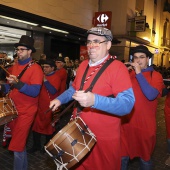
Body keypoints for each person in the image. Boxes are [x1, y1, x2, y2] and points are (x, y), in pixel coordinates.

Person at [49, 26, 135, 170]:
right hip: (79, 134)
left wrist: (95, 100)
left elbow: (127, 105)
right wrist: (60, 99)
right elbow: (74, 89)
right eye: (89, 42)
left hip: (103, 140)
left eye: (97, 41)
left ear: (108, 45)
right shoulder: (83, 65)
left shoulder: (118, 68)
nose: (91, 46)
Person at [0, 35, 43, 170]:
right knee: (20, 144)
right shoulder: (14, 66)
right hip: (13, 109)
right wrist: (2, 87)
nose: (18, 52)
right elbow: (9, 87)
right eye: (17, 49)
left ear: (30, 51)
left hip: (26, 112)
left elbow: (35, 91)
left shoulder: (36, 69)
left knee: (17, 146)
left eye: (22, 49)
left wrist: (18, 84)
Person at [121, 45, 164, 170]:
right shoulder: (129, 74)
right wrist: (122, 72)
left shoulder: (155, 75)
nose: (138, 60)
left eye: (142, 57)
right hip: (126, 124)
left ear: (148, 59)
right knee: (121, 158)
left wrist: (139, 73)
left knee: (145, 160)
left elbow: (150, 95)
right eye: (135, 57)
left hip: (145, 127)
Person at [28, 58, 61, 153]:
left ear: (52, 68)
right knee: (35, 127)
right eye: (43, 67)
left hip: (50, 107)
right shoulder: (41, 76)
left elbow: (53, 90)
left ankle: (46, 146)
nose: (44, 69)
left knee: (49, 128)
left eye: (47, 67)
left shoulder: (56, 77)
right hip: (39, 105)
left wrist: (45, 80)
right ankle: (36, 145)